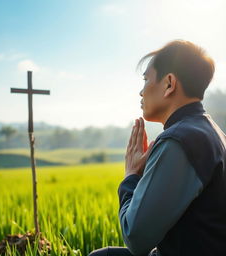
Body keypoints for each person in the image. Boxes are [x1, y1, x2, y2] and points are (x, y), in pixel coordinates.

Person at [88, 40, 226, 256]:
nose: (141, 92)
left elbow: (136, 237)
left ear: (169, 83)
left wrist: (131, 176)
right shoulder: (213, 132)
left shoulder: (179, 140)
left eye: (145, 80)